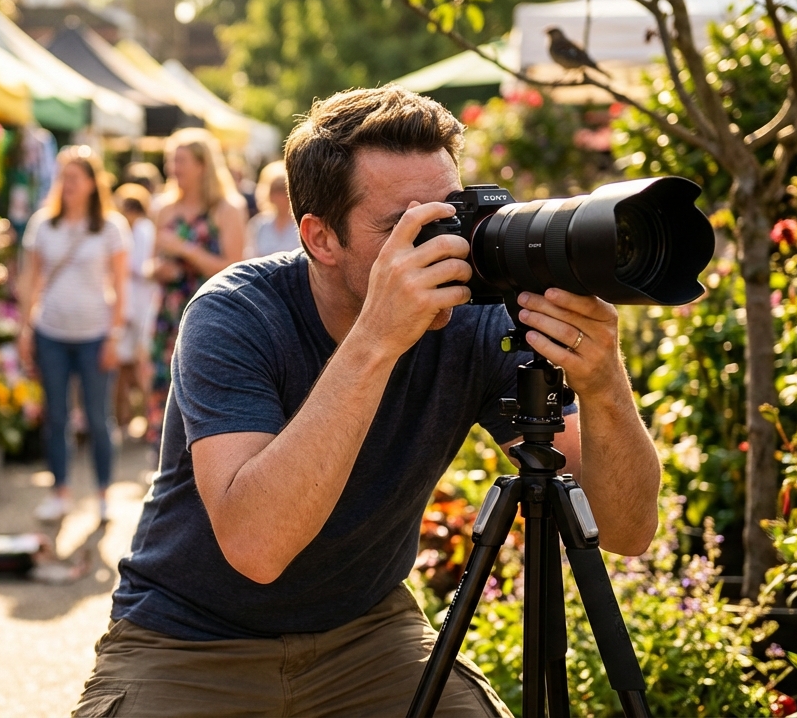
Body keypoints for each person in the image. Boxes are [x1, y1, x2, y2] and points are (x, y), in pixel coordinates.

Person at [74, 86, 661, 717]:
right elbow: (257, 547)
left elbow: (627, 529)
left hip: (366, 636)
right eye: (405, 228)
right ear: (321, 238)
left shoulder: (473, 321)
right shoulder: (234, 314)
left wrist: (605, 386)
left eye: (451, 216)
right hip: (187, 640)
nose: (443, 248)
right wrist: (377, 339)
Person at [16, 147, 130, 523]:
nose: (68, 184)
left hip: (95, 334)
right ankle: (60, 492)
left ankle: (102, 494)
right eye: (63, 177)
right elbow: (30, 279)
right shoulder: (42, 224)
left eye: (75, 177)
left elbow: (121, 285)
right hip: (51, 332)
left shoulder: (111, 227)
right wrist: (25, 328)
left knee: (98, 419)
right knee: (56, 417)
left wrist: (114, 335)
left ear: (92, 183)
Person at [145, 128, 246, 450]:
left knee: (205, 391)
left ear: (203, 165)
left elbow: (234, 268)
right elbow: (151, 265)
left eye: (181, 161)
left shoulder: (227, 209)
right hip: (169, 315)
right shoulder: (164, 208)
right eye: (171, 160)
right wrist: (160, 270)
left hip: (210, 314)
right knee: (164, 390)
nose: (173, 168)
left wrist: (184, 250)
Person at [111, 183, 159, 435]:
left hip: (142, 305)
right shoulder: (129, 230)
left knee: (141, 364)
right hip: (128, 305)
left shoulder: (144, 230)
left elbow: (141, 266)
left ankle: (149, 419)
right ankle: (122, 417)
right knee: (122, 364)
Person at [244, 160, 301, 259]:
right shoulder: (258, 225)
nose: (279, 195)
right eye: (274, 189)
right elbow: (249, 255)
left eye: (283, 189)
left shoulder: (301, 224)